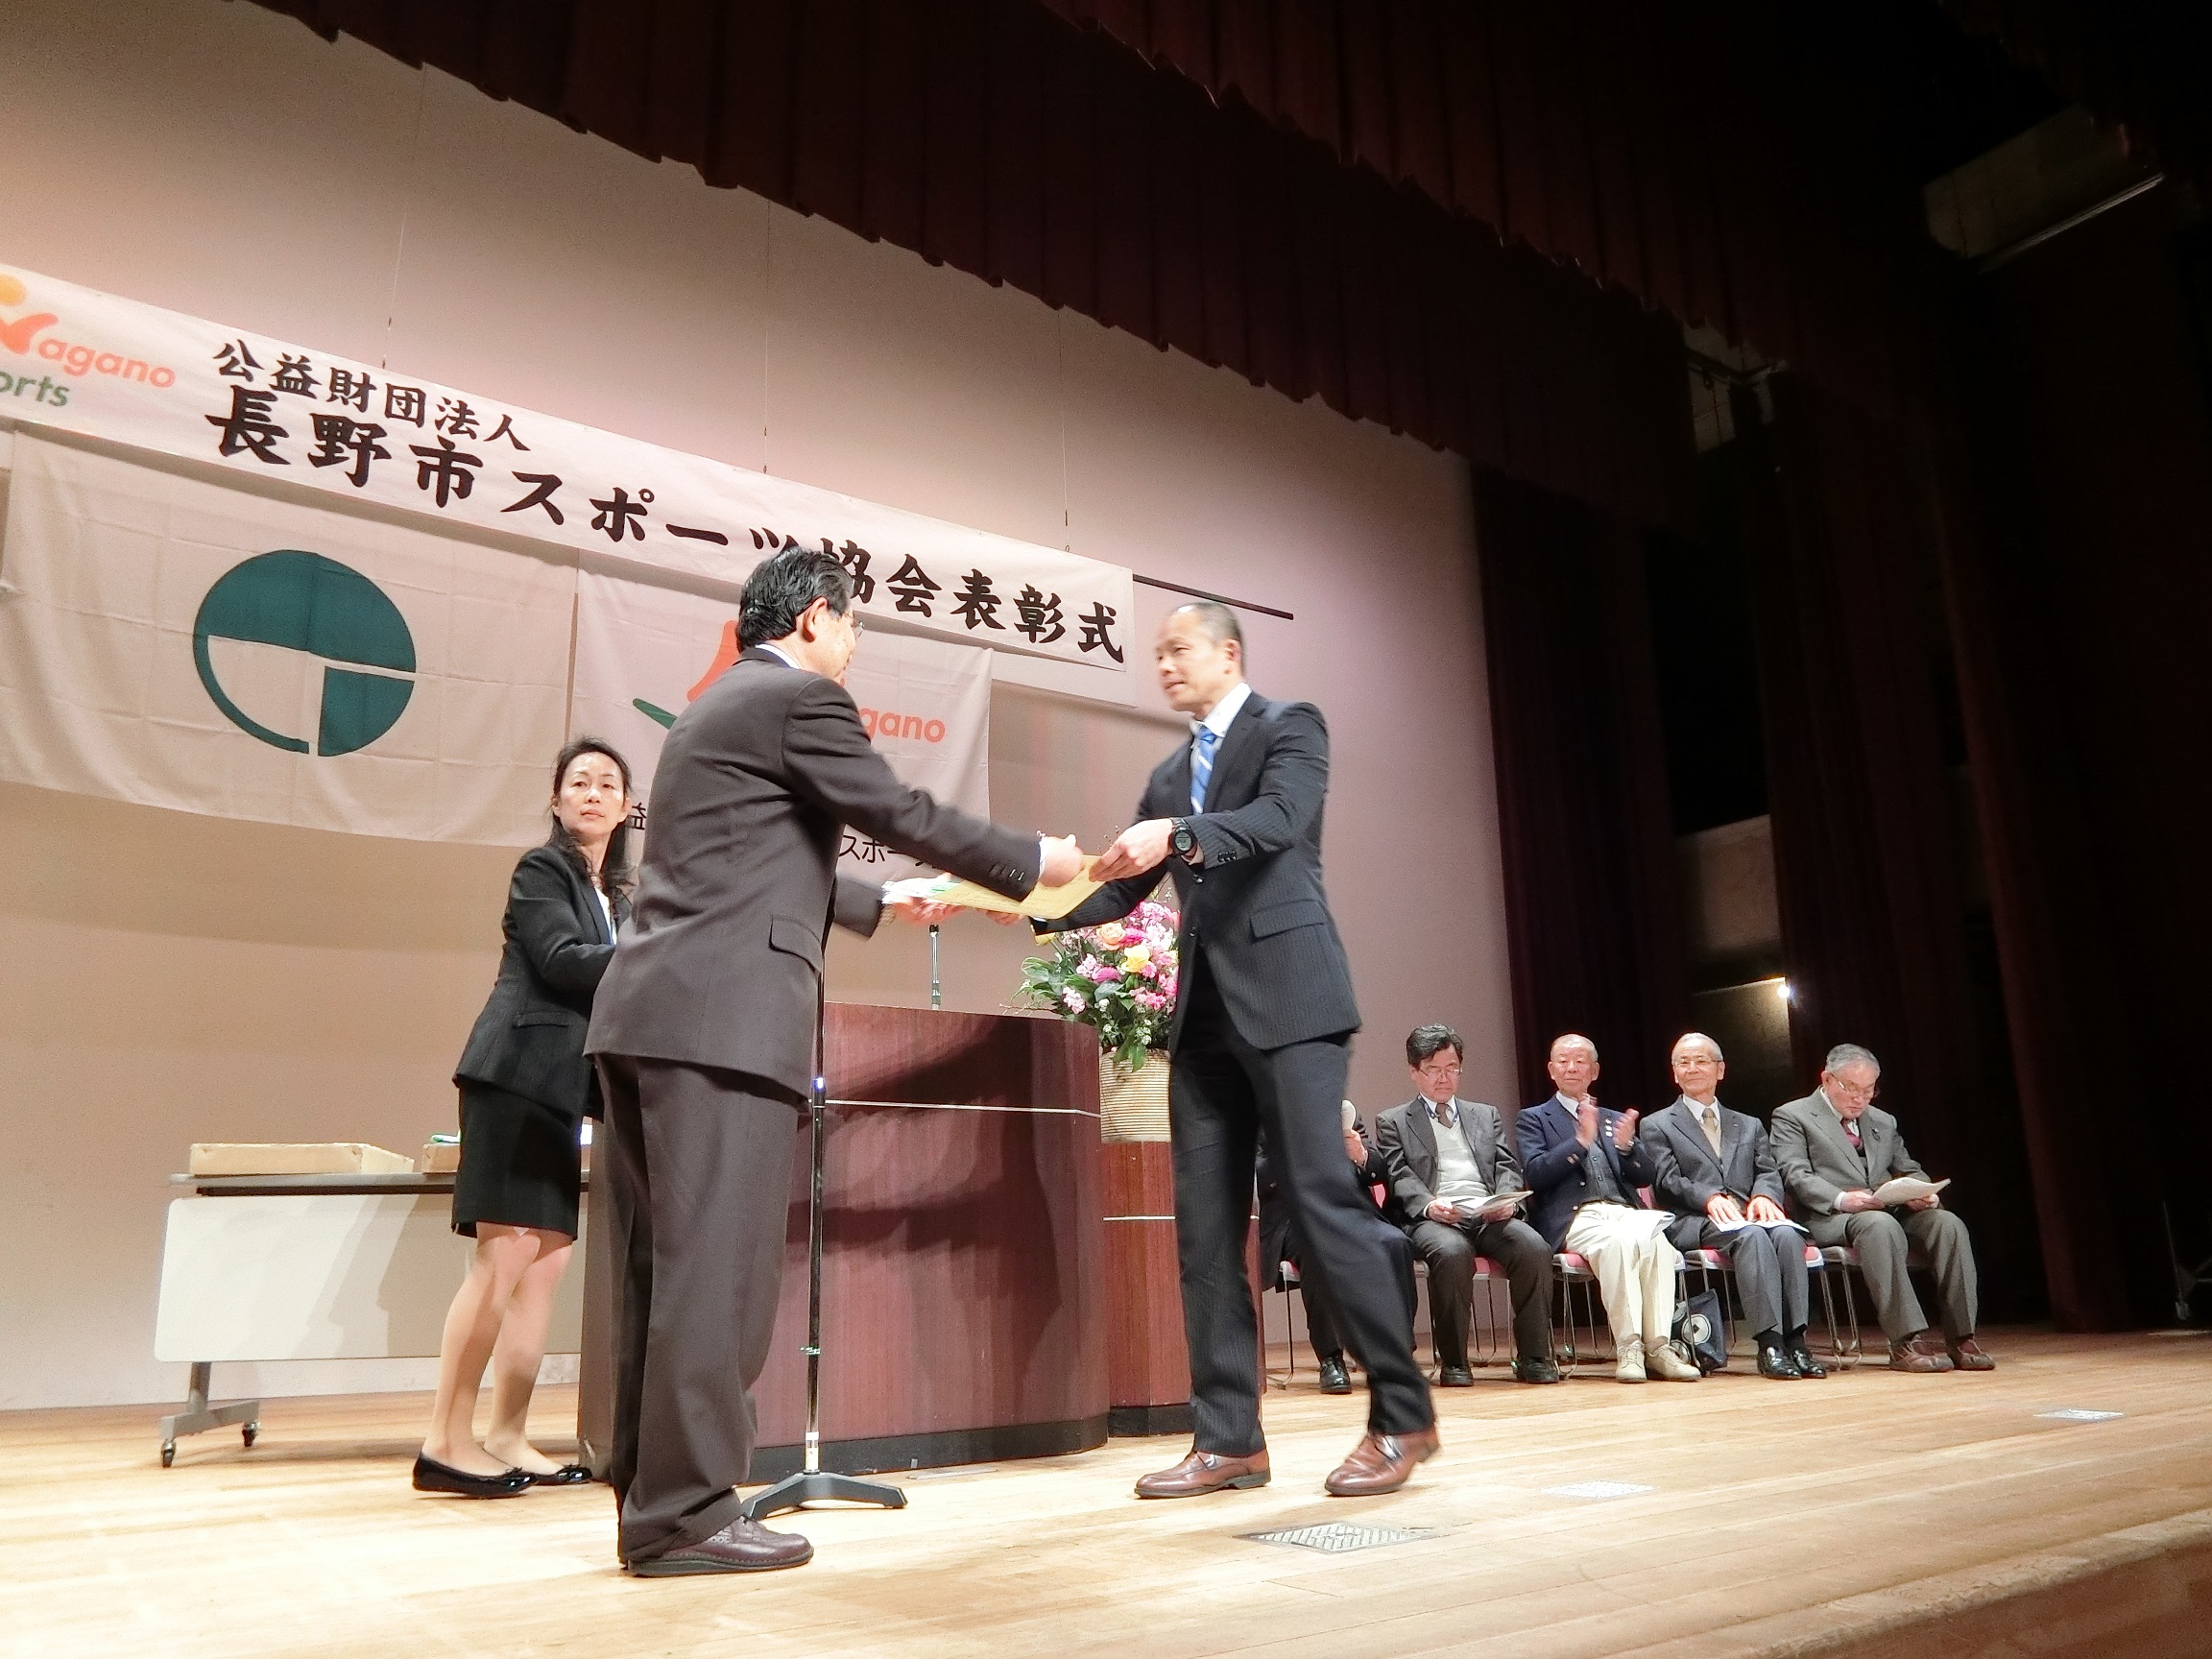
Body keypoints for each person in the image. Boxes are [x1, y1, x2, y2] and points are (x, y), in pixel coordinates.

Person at [585, 546, 1083, 1576]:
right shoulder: (797, 698)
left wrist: (883, 900)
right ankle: (686, 1517)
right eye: (854, 626)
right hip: (721, 1026)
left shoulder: (716, 708)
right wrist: (1037, 866)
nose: (855, 649)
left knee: (667, 1274)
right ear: (815, 617)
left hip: (653, 1017)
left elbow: (742, 857)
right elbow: (898, 811)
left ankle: (657, 1499)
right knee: (718, 1277)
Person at [1039, 601, 1436, 1499]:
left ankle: (1402, 1414)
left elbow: (1280, 818)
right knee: (1206, 1233)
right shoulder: (1167, 772)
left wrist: (1179, 834)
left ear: (1228, 652)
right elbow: (1121, 888)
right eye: (1157, 654)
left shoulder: (1290, 725)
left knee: (1320, 1202)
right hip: (1206, 1022)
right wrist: (1021, 907)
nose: (1165, 665)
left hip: (1292, 999)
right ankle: (1228, 1440)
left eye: (1180, 649)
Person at [417, 739, 636, 1499]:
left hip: (562, 1092)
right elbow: (562, 960)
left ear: (627, 807)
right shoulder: (542, 871)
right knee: (504, 1255)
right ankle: (444, 1442)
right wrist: (656, 956)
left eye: (608, 784)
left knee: (545, 1267)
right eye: (579, 782)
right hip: (513, 1076)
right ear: (556, 800)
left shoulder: (620, 899)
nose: (593, 793)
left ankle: (507, 1432)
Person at [1769, 1043, 1993, 1373]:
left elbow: (1909, 1168)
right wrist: (1842, 1198)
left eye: (1869, 1090)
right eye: (1851, 1088)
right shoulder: (1793, 1115)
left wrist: (1922, 1191)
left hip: (1887, 1208)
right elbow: (1794, 1174)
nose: (1860, 1099)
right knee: (1879, 1225)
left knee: (1947, 1224)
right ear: (1827, 1079)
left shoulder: (1883, 1121)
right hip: (1832, 1215)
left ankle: (1962, 1337)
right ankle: (1905, 1341)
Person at [1374, 1025, 1561, 1386]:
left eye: (1452, 1068)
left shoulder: (1484, 1115)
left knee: (1534, 1248)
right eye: (1433, 1069)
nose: (1444, 1078)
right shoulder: (1393, 1121)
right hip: (1435, 1217)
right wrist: (1430, 1205)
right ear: (1414, 1071)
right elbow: (1398, 1175)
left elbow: (1506, 1165)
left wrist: (1506, 1201)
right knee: (1452, 1252)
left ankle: (1534, 1356)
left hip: (1488, 1213)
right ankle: (1455, 1361)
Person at [1518, 1033, 1701, 1383]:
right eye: (1563, 1061)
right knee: (1617, 1245)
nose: (1571, 1068)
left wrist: (1628, 1147)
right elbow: (1536, 1174)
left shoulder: (1613, 1118)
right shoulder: (1534, 1118)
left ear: (1595, 1070)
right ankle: (1629, 1348)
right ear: (1551, 1070)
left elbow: (1645, 1176)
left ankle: (1659, 1347)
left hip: (1625, 1211)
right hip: (1577, 1216)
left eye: (1580, 1061)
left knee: (1659, 1245)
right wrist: (1579, 1142)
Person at [1641, 1033, 1826, 1380]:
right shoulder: (1657, 1124)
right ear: (1674, 1073)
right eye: (1683, 1062)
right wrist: (1708, 1198)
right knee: (1751, 1236)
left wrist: (1764, 1196)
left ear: (1720, 1070)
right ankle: (1769, 1343)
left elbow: (1767, 1170)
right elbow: (1667, 1179)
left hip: (1747, 1215)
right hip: (1694, 1218)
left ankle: (1796, 1340)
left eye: (1701, 1061)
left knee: (1788, 1236)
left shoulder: (1748, 1123)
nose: (1692, 1068)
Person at [1257, 1102, 1416, 1395]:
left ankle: (1397, 1356)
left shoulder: (1342, 1111)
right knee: (1319, 1248)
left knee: (1396, 1243)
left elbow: (1377, 1171)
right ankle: (1331, 1359)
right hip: (1297, 1218)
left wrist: (1361, 1155)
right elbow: (1256, 1176)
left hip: (1351, 1214)